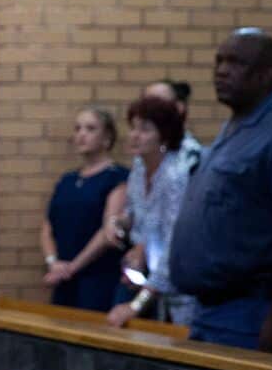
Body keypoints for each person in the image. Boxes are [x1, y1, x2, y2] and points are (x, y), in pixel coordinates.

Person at [170, 28, 272, 354]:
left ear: (266, 73)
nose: (222, 71)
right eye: (219, 61)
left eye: (236, 63)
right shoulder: (235, 128)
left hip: (250, 310)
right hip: (210, 309)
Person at [106, 96, 198, 328]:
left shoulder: (175, 176)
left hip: (182, 286)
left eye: (145, 130)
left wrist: (136, 305)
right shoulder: (139, 167)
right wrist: (118, 223)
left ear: (164, 136)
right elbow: (136, 212)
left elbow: (173, 242)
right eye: (133, 127)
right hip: (148, 277)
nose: (135, 135)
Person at [40, 108, 128, 312]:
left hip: (97, 278)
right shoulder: (67, 180)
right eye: (77, 128)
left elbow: (108, 230)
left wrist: (72, 268)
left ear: (107, 138)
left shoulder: (117, 177)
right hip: (63, 277)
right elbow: (47, 227)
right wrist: (53, 262)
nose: (81, 134)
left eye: (90, 129)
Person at [143, 79, 203, 171]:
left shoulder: (191, 154)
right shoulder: (147, 150)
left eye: (155, 103)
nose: (145, 111)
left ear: (178, 108)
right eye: (144, 104)